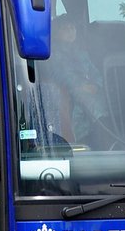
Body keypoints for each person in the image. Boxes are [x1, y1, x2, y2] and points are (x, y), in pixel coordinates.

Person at [42, 15, 108, 145]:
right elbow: (61, 75)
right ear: (56, 33)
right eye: (65, 29)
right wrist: (80, 86)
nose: (70, 31)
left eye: (72, 28)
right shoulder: (52, 53)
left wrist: (96, 85)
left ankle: (105, 133)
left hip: (90, 92)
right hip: (70, 94)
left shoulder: (82, 53)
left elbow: (96, 73)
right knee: (89, 105)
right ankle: (101, 132)